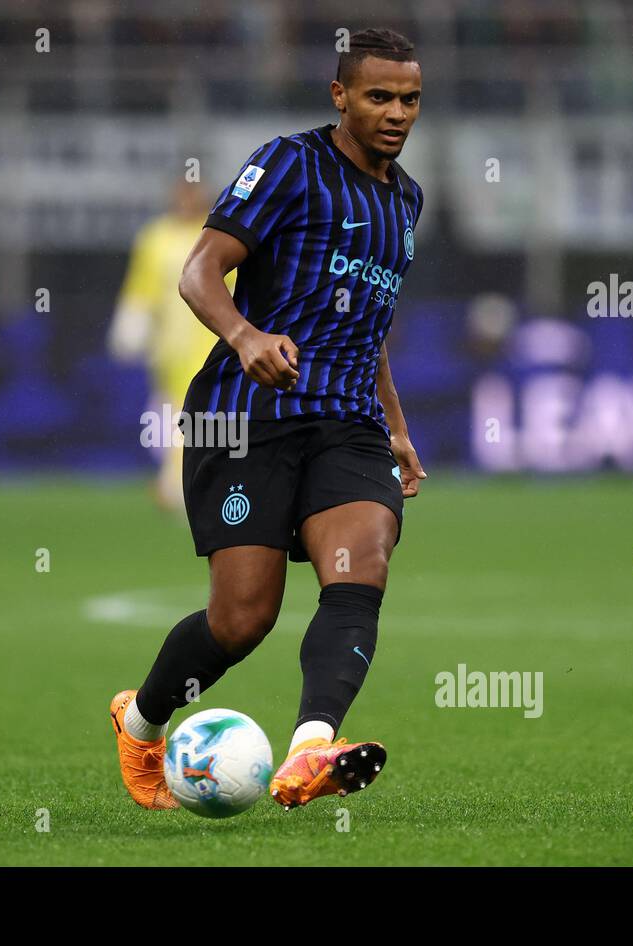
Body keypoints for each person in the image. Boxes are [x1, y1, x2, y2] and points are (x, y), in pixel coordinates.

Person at [110, 27, 428, 810]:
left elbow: (373, 325)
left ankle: (312, 748)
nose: (395, 113)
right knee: (242, 618)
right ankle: (143, 722)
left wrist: (396, 426)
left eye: (410, 99)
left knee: (362, 568)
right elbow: (198, 271)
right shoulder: (289, 164)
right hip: (248, 413)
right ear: (340, 95)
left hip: (348, 420)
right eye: (379, 96)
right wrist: (245, 335)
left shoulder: (406, 199)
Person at [108, 180, 229, 511]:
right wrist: (131, 324)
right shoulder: (156, 237)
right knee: (171, 416)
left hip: (215, 342)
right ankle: (180, 482)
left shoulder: (220, 233)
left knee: (208, 417)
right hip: (169, 348)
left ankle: (184, 484)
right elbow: (141, 287)